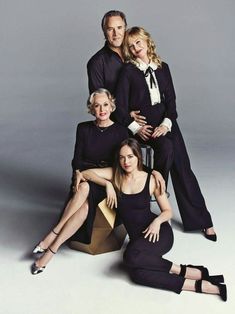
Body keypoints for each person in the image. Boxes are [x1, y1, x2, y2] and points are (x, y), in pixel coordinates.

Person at [31, 88, 164, 274]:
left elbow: (131, 159)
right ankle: (50, 251)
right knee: (84, 191)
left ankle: (51, 240)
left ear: (112, 107)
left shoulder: (121, 131)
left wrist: (153, 171)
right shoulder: (83, 128)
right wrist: (78, 172)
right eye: (97, 106)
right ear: (91, 109)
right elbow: (77, 160)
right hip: (86, 176)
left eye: (105, 105)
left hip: (108, 179)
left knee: (85, 194)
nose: (102, 109)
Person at [81, 138, 226, 300]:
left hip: (159, 234)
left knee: (131, 258)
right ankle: (199, 283)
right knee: (137, 274)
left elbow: (167, 211)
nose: (126, 161)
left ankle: (186, 272)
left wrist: (157, 222)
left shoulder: (151, 179)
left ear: (138, 157)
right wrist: (107, 184)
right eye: (122, 157)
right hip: (138, 238)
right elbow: (85, 173)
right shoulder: (115, 175)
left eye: (130, 156)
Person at [113, 26, 216, 240]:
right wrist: (135, 127)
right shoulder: (128, 71)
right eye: (131, 46)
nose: (135, 48)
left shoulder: (163, 67)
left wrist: (167, 124)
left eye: (138, 43)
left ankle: (202, 220)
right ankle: (158, 195)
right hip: (144, 127)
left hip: (166, 124)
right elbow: (120, 108)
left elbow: (171, 103)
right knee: (166, 148)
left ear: (147, 41)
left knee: (183, 167)